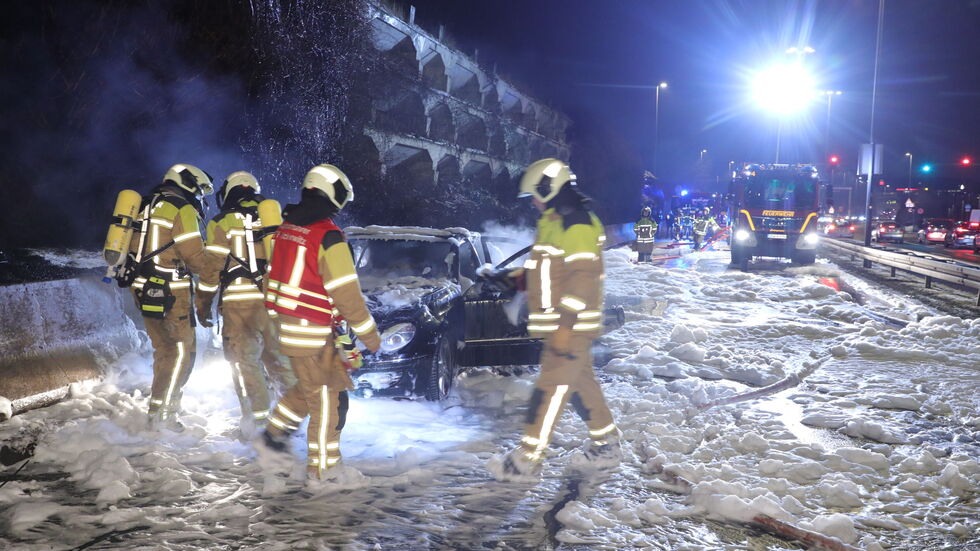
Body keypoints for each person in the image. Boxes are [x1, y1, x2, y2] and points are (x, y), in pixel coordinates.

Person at [489, 158, 620, 480]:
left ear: (550, 188)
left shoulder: (576, 223)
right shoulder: (554, 220)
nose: (532, 203)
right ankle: (607, 445)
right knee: (581, 385)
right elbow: (546, 269)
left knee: (549, 389)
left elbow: (583, 277)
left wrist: (564, 324)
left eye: (535, 195)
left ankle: (526, 459)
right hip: (563, 326)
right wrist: (515, 278)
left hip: (570, 327)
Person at [259, 164, 381, 481]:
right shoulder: (328, 236)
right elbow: (347, 295)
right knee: (327, 401)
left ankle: (273, 434)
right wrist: (370, 336)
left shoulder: (288, 228)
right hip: (312, 333)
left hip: (291, 327)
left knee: (314, 388)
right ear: (332, 194)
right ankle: (323, 472)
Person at [196, 171, 293, 438]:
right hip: (275, 300)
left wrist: (202, 304)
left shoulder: (222, 222)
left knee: (243, 363)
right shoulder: (277, 218)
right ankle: (294, 416)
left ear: (227, 193)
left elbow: (211, 270)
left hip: (240, 304)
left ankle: (257, 424)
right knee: (280, 360)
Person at [128, 164, 220, 430]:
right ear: (189, 183)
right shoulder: (182, 208)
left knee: (164, 350)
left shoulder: (146, 205)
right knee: (182, 352)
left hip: (141, 287)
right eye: (200, 191)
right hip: (171, 291)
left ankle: (158, 409)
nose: (201, 197)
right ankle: (164, 416)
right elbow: (194, 256)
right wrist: (217, 271)